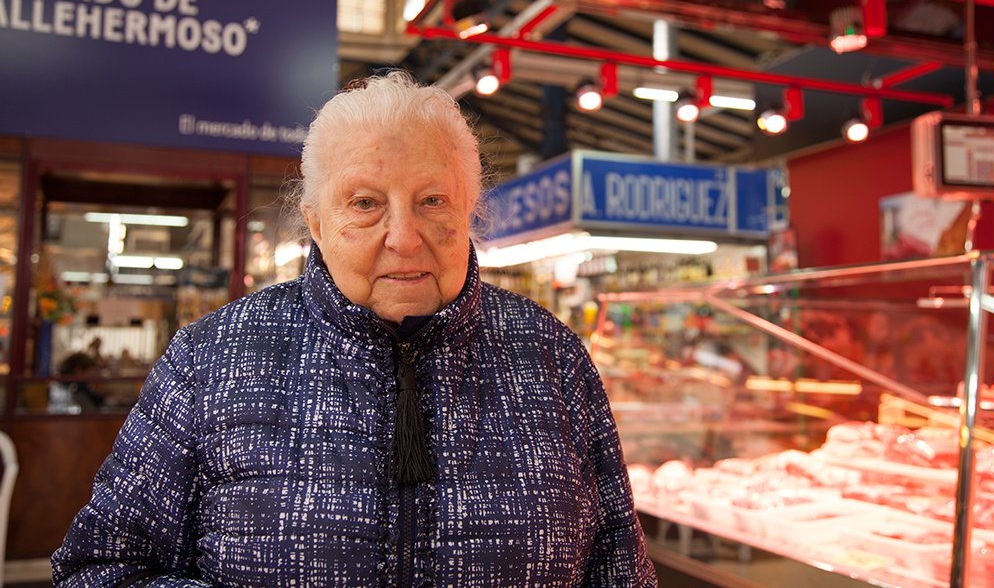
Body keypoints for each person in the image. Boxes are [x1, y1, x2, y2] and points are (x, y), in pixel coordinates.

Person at [51, 71, 657, 587]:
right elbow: (100, 567)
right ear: (316, 224)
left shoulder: (550, 355)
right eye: (365, 203)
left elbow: (620, 568)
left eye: (433, 201)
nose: (403, 237)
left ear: (469, 211)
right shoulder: (211, 360)